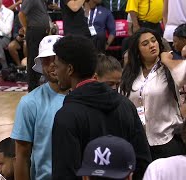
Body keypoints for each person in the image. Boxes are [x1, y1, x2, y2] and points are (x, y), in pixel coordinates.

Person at [52, 35, 151, 180]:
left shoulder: (66, 116)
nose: (55, 71)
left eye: (57, 65)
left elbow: (65, 174)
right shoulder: (126, 105)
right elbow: (143, 161)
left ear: (69, 69)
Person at [120, 28, 186, 160]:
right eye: (145, 44)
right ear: (137, 51)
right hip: (138, 143)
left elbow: (182, 75)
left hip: (167, 140)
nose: (151, 45)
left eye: (154, 41)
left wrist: (166, 60)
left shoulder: (168, 69)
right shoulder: (131, 73)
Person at [11, 35, 67, 180]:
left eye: (57, 58)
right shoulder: (29, 103)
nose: (53, 64)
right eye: (47, 60)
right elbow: (22, 156)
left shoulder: (84, 98)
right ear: (41, 64)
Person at [18, 0, 50, 91]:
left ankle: (38, 83)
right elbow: (21, 14)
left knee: (40, 58)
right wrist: (26, 28)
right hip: (34, 31)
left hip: (41, 31)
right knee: (33, 59)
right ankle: (32, 87)